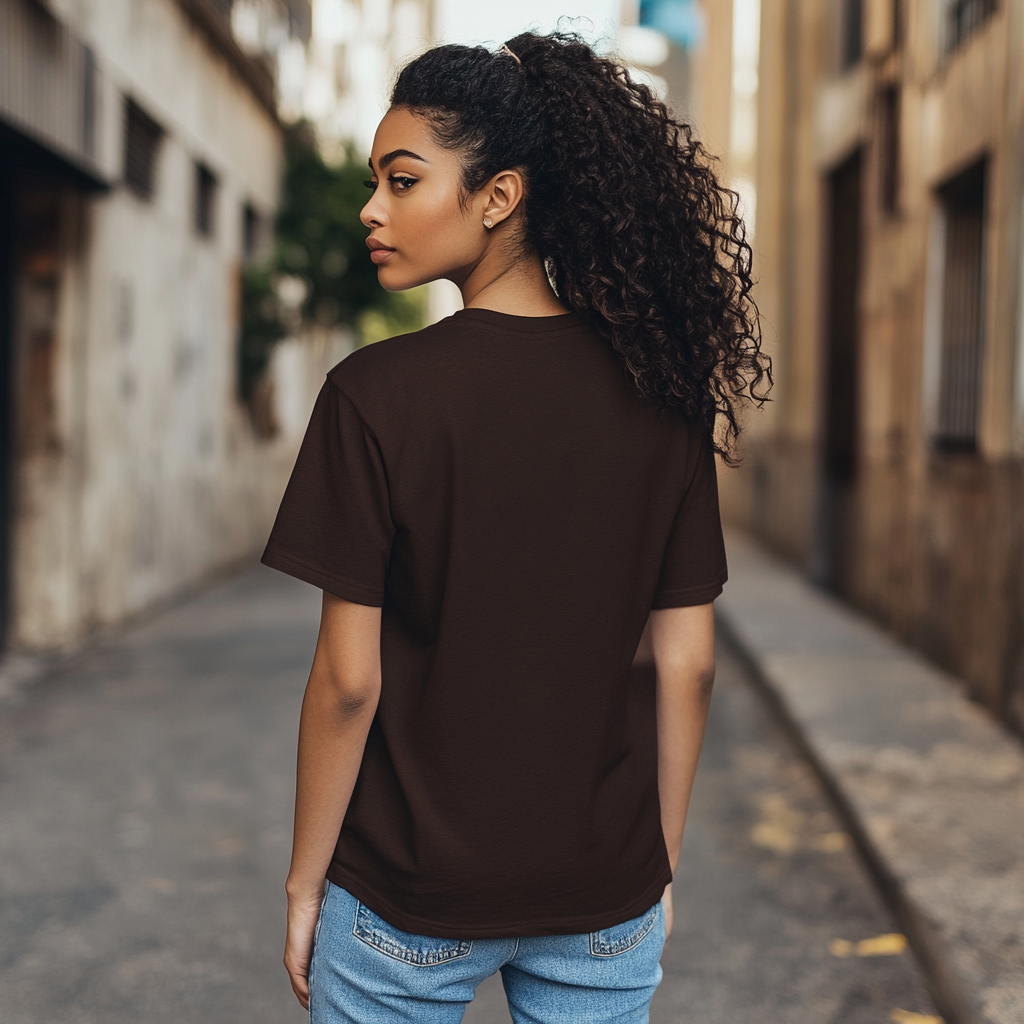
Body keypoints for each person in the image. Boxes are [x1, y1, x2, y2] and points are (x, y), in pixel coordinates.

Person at [261, 29, 769, 1024]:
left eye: (402, 180)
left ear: (499, 197)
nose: (373, 207)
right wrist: (655, 864)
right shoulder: (663, 397)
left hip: (403, 895)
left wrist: (302, 884)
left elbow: (349, 680)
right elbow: (687, 662)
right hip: (602, 889)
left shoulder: (374, 396)